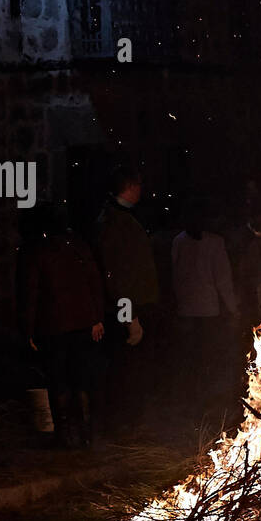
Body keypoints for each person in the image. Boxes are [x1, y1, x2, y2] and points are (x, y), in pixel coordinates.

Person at [16, 204, 106, 447]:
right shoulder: (78, 247)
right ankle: (85, 433)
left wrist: (28, 330)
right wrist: (96, 318)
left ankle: (66, 436)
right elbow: (95, 284)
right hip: (81, 323)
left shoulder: (37, 251)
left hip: (53, 326)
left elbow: (31, 294)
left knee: (59, 381)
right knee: (80, 379)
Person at [96, 166, 160, 433]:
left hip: (132, 307)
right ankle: (124, 425)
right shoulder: (116, 221)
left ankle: (130, 423)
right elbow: (117, 277)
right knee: (126, 372)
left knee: (131, 372)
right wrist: (129, 320)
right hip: (127, 312)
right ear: (131, 187)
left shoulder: (119, 218)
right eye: (139, 186)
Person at [171, 199, 239, 400]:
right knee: (207, 354)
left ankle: (194, 394)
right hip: (208, 310)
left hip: (188, 309)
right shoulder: (214, 242)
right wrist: (233, 308)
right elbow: (223, 279)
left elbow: (175, 275)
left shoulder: (178, 240)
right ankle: (205, 395)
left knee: (193, 355)